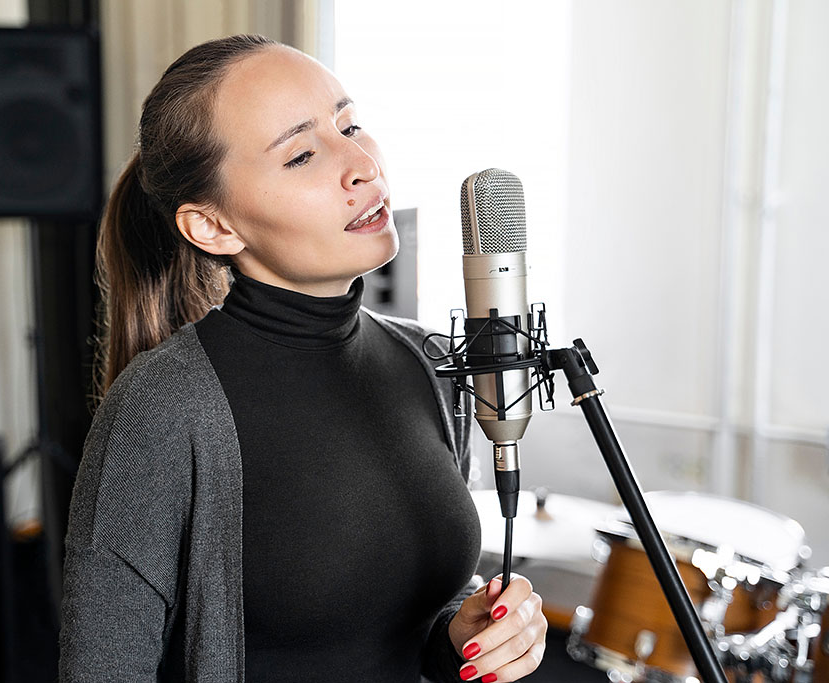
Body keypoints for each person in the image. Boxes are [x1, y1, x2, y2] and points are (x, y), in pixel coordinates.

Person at [59, 34, 547, 683]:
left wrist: (463, 632)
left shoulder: (427, 362)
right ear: (214, 226)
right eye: (302, 154)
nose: (362, 166)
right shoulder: (163, 405)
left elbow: (408, 622)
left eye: (351, 124)